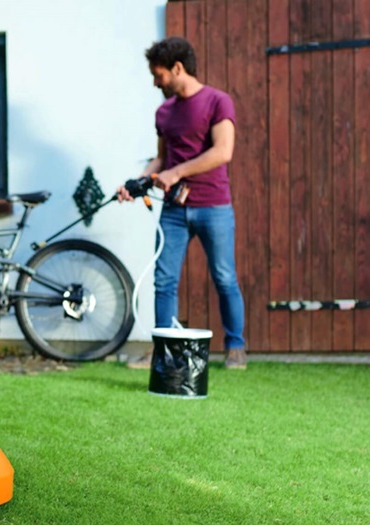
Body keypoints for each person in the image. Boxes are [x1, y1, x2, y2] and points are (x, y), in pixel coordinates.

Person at [117, 36, 247, 370]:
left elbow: (223, 151)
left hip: (213, 206)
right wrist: (137, 183)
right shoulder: (163, 112)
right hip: (174, 211)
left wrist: (176, 172)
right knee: (164, 281)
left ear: (177, 68)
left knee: (224, 277)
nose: (155, 83)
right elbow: (161, 159)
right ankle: (163, 351)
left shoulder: (218, 101)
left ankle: (236, 348)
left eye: (158, 75)